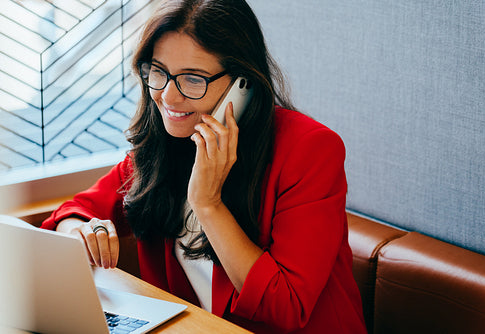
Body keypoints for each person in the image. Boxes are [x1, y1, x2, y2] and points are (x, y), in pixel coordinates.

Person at [41, 0, 366, 332]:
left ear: (243, 83)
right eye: (158, 72)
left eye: (193, 79)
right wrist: (80, 232)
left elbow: (286, 307)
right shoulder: (168, 141)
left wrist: (208, 204)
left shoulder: (308, 149)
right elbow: (74, 211)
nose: (168, 96)